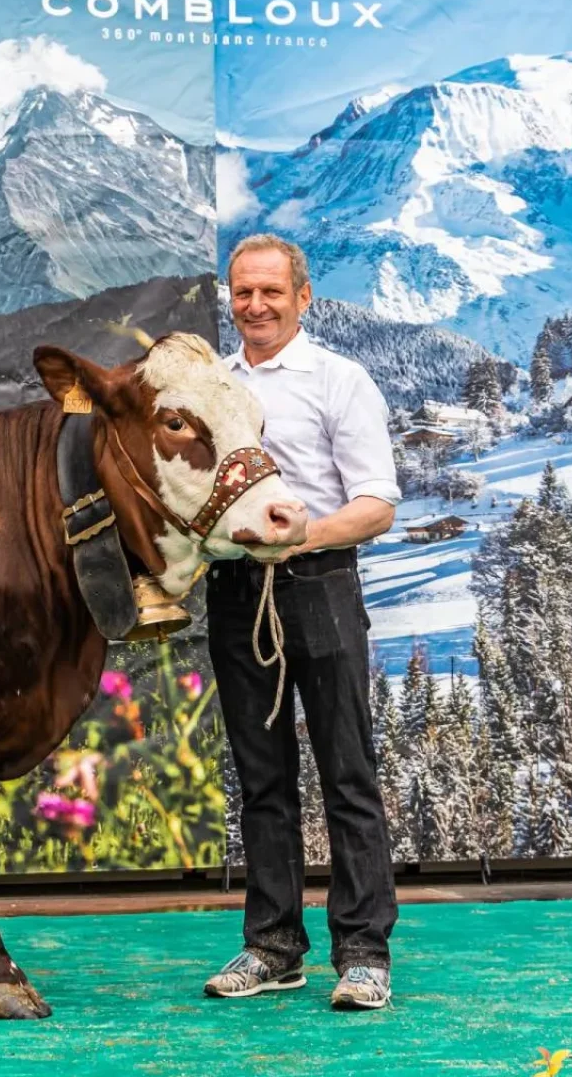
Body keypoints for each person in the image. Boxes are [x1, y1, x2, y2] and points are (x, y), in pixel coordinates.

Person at [202, 233, 402, 1011]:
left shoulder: (338, 380)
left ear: (303, 297)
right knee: (262, 782)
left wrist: (300, 536)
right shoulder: (212, 388)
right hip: (234, 594)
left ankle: (364, 953)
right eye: (242, 292)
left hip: (318, 585)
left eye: (270, 293)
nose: (254, 306)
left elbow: (377, 504)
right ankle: (273, 947)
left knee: (348, 774)